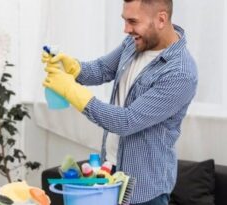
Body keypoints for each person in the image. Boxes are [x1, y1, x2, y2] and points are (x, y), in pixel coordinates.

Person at [42, 0, 198, 204]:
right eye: (125, 20)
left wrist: (72, 91)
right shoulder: (136, 42)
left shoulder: (180, 73)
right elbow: (102, 69)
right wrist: (74, 67)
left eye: (133, 21)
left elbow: (127, 121)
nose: (126, 29)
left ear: (161, 19)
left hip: (144, 190)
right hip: (111, 172)